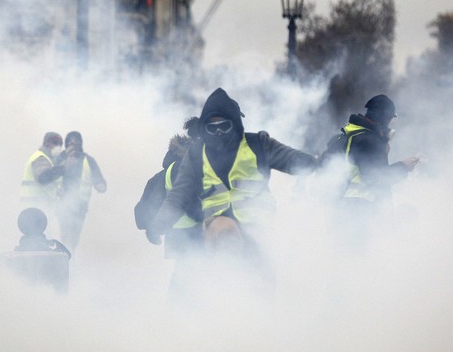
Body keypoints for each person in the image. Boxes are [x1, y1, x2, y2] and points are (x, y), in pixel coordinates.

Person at [146, 87, 317, 258]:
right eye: (212, 128)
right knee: (225, 238)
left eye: (224, 126)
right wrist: (158, 225)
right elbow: (179, 195)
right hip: (221, 227)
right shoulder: (197, 155)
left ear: (235, 123)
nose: (219, 132)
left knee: (263, 274)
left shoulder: (258, 144)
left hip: (259, 225)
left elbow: (291, 158)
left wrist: (312, 163)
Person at [319, 94, 420, 228]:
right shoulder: (370, 140)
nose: (390, 124)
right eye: (391, 119)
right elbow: (376, 178)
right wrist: (403, 166)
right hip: (361, 213)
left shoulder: (345, 137)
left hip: (339, 213)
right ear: (383, 118)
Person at [135, 116, 202, 256]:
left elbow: (145, 208)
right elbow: (187, 202)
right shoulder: (186, 168)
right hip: (196, 235)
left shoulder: (170, 167)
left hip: (177, 236)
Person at [57, 130, 106, 253]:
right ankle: (66, 259)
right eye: (70, 142)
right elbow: (50, 173)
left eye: (75, 142)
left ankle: (69, 259)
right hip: (62, 205)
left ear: (80, 143)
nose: (73, 144)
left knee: (73, 238)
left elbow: (100, 182)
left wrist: (100, 186)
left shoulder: (88, 161)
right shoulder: (61, 158)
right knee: (65, 236)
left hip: (80, 207)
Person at [20, 131, 65, 219]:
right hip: (35, 210)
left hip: (39, 211)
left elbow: (47, 186)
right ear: (47, 143)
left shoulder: (48, 160)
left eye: (60, 144)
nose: (58, 147)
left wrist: (57, 192)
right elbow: (43, 178)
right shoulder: (40, 158)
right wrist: (63, 168)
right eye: (55, 143)